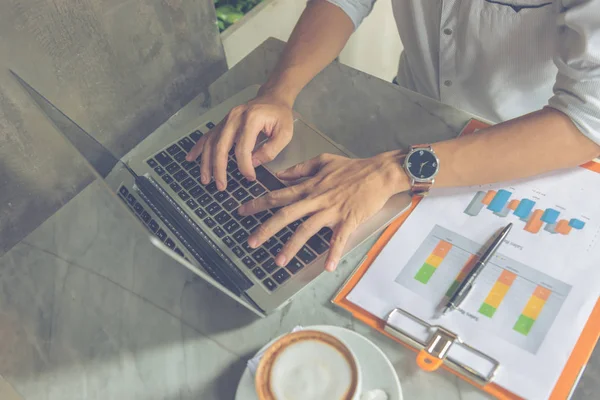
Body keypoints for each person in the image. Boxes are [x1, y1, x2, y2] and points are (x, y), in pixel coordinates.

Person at [187, 0, 600, 272]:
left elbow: (587, 119)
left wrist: (394, 171)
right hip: (405, 110)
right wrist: (279, 90)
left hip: (520, 151)